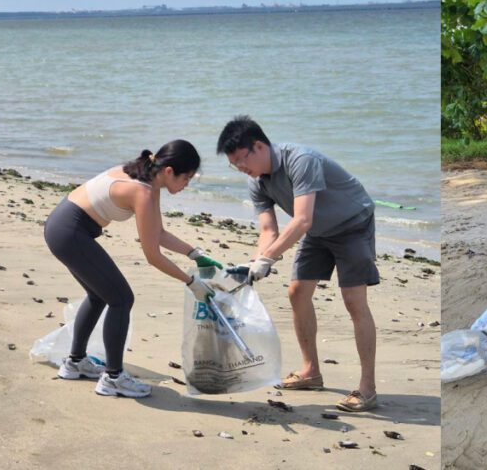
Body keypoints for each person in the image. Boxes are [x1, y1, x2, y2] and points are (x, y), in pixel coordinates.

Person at [217, 116, 380, 412]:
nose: (241, 168)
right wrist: (255, 263)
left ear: (259, 146)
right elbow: (269, 231)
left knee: (354, 301)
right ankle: (311, 372)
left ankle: (367, 389)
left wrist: (269, 258)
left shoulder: (301, 161)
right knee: (297, 293)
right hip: (316, 231)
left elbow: (302, 219)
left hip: (352, 223)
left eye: (242, 160)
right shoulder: (257, 182)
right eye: (234, 164)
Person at [44, 140, 215, 398]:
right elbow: (152, 256)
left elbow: (158, 233)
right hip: (70, 232)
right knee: (121, 299)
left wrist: (193, 253)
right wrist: (191, 282)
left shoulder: (149, 179)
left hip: (64, 227)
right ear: (169, 171)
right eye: (187, 178)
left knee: (100, 295)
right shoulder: (143, 191)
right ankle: (113, 378)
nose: (187, 185)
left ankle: (75, 362)